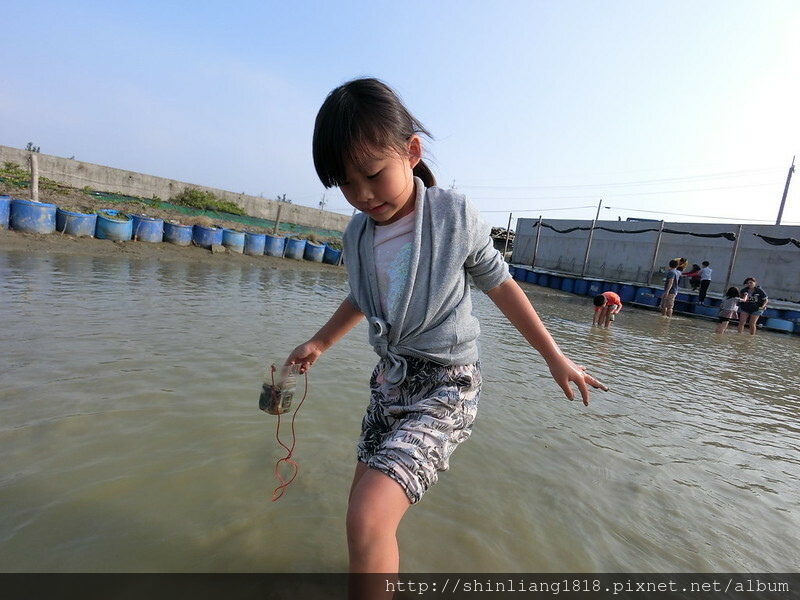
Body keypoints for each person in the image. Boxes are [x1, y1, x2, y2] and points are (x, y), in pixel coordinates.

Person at [284, 77, 608, 597]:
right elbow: (366, 298)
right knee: (363, 517)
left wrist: (555, 357)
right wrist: (320, 342)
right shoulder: (357, 233)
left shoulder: (451, 215)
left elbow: (502, 286)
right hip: (390, 388)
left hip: (447, 388)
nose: (363, 195)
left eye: (372, 174)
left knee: (368, 517)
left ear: (411, 152)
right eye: (346, 183)